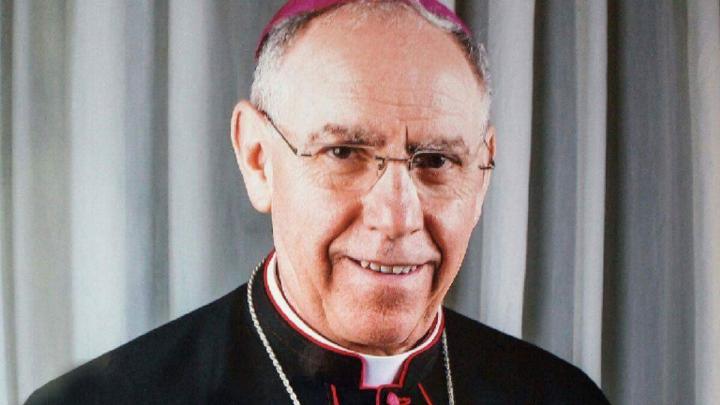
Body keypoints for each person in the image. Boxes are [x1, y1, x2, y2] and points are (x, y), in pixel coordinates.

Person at [26, 0, 609, 403]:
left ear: (481, 174)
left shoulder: (559, 396)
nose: (397, 218)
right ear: (258, 159)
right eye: (344, 153)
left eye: (436, 161)